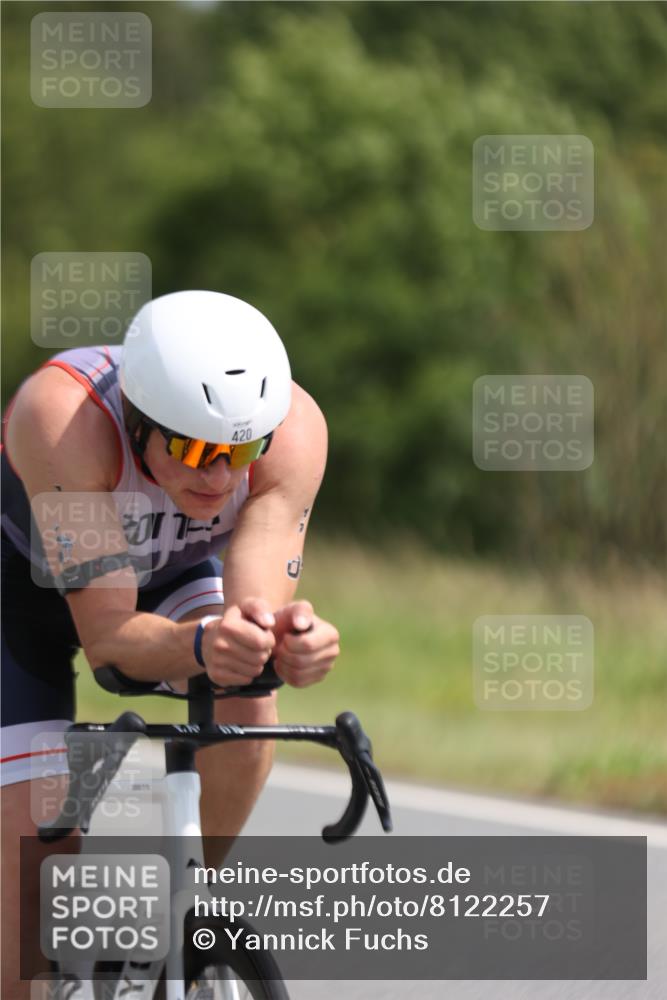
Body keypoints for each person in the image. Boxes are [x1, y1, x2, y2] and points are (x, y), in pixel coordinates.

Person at [1, 290, 339, 997]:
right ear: (136, 420)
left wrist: (287, 644)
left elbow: (247, 619)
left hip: (164, 578)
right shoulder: (62, 419)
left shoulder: (296, 430)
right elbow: (109, 644)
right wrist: (202, 645)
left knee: (249, 703)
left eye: (240, 452)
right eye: (193, 449)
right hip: (20, 602)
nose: (218, 477)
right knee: (35, 875)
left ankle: (179, 915)